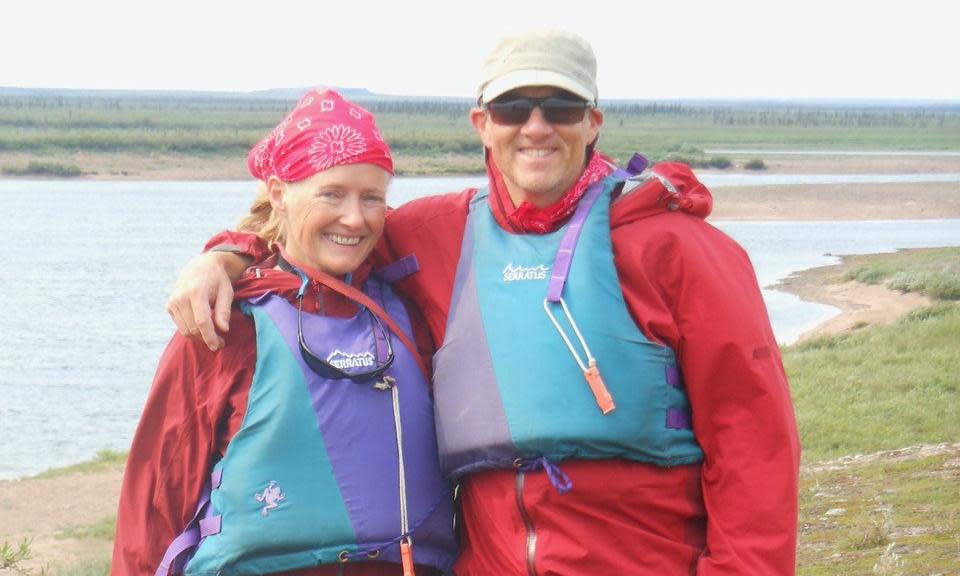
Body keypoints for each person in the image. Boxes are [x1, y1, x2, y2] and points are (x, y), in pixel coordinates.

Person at [167, 30, 801, 575]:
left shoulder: (681, 250)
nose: (536, 126)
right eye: (512, 107)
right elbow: (322, 235)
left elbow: (754, 446)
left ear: (593, 122)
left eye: (560, 106)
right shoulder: (437, 236)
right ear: (481, 124)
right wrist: (227, 254)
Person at [113, 89, 458, 575]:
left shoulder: (411, 311)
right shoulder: (224, 324)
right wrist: (221, 257)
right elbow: (154, 500)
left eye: (372, 198)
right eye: (331, 194)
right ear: (279, 193)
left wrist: (225, 252)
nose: (354, 219)